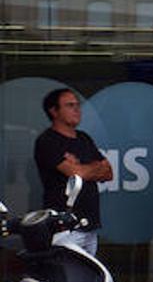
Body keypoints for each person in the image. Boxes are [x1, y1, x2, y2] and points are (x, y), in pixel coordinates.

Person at [33, 88, 113, 254]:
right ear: (54, 111)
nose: (77, 109)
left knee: (89, 271)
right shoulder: (48, 141)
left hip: (89, 225)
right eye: (70, 105)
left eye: (77, 105)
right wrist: (92, 168)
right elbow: (77, 175)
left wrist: (82, 169)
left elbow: (108, 172)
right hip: (64, 228)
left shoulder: (84, 138)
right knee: (66, 269)